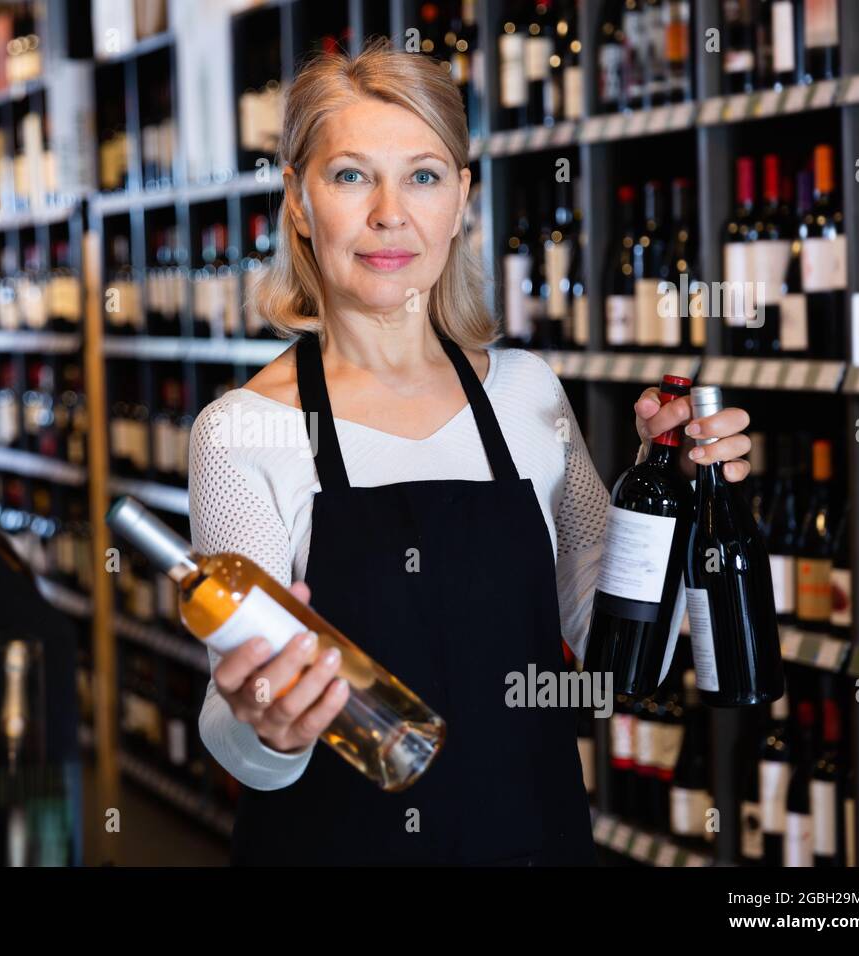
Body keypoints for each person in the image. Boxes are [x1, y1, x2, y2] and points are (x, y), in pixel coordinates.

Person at [188, 39, 751, 865]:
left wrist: (669, 486)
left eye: (422, 175)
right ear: (300, 203)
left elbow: (619, 653)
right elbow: (240, 723)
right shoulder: (243, 428)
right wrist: (264, 725)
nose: (390, 213)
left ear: (461, 199)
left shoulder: (527, 394)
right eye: (351, 175)